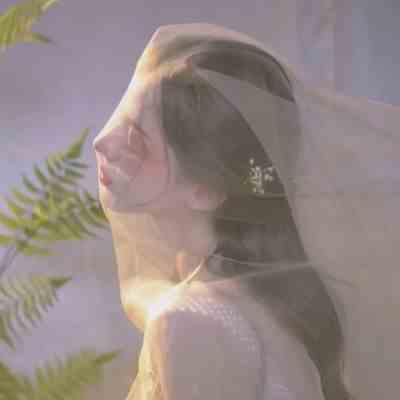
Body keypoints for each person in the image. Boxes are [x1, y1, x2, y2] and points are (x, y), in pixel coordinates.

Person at [93, 23, 400, 400]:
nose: (103, 143)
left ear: (205, 189)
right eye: (124, 119)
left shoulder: (189, 319)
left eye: (136, 139)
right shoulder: (270, 302)